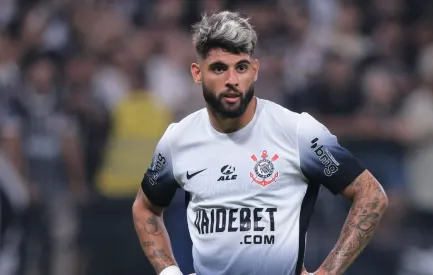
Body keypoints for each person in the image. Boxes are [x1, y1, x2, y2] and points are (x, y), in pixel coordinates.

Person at [132, 11, 389, 275]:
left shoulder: (296, 131)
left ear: (254, 71)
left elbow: (371, 194)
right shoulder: (178, 138)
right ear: (197, 73)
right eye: (219, 68)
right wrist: (169, 272)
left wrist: (328, 272)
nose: (232, 80)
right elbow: (145, 208)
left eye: (240, 67)